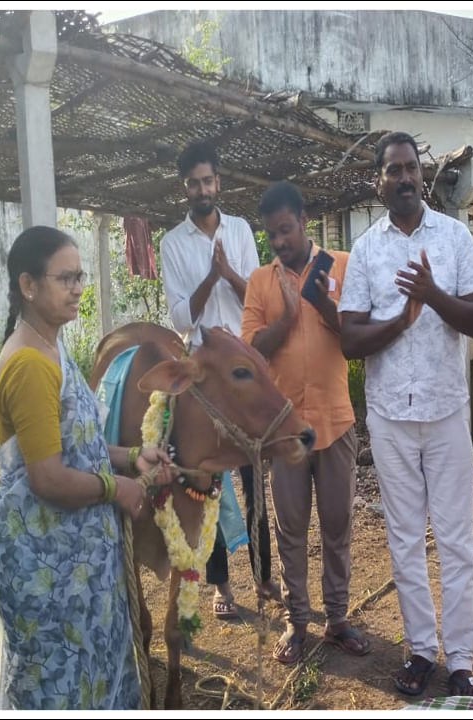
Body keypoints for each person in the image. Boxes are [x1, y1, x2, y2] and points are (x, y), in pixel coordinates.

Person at [0, 225, 173, 710]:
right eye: (65, 278)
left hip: (77, 562)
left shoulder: (51, 347)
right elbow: (47, 477)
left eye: (80, 277)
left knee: (95, 675)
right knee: (60, 687)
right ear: (29, 285)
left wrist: (132, 457)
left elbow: (79, 444)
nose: (78, 288)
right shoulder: (29, 364)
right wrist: (119, 489)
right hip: (49, 564)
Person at [338, 131, 473, 697]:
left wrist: (432, 293)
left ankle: (463, 660)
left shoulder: (453, 238)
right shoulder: (366, 250)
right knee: (404, 539)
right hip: (390, 416)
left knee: (455, 539)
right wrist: (400, 321)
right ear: (378, 181)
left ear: (422, 177)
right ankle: (421, 650)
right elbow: (350, 338)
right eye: (393, 170)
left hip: (447, 411)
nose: (404, 178)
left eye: (411, 169)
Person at [241, 181, 368, 665]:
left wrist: (322, 306)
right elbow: (251, 351)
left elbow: (357, 337)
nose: (279, 242)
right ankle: (297, 623)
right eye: (272, 235)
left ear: (304, 221)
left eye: (286, 230)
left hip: (336, 420)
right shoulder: (260, 283)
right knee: (290, 529)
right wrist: (287, 318)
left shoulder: (342, 266)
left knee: (337, 526)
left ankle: (336, 620)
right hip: (285, 431)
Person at [159, 139, 281, 616]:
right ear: (184, 188)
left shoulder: (240, 230)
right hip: (203, 383)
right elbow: (180, 320)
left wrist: (227, 272)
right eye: (193, 182)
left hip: (242, 372)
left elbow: (258, 295)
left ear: (218, 182)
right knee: (205, 485)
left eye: (208, 180)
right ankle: (220, 587)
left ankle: (264, 577)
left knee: (254, 481)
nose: (201, 189)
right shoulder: (172, 244)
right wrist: (208, 279)